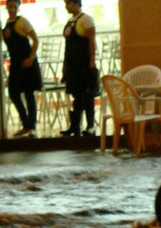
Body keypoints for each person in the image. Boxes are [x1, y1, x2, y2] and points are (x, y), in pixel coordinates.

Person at [2, 0, 43, 137]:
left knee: (29, 93)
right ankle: (26, 122)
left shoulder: (22, 22)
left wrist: (31, 58)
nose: (12, 9)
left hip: (26, 62)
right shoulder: (7, 23)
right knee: (13, 92)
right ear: (6, 7)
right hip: (15, 62)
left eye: (15, 7)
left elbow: (36, 40)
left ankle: (31, 126)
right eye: (10, 6)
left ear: (18, 7)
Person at [60, 0, 98, 137]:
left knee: (87, 95)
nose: (66, 6)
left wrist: (92, 60)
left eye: (69, 3)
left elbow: (91, 40)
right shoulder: (70, 21)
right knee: (76, 95)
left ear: (76, 4)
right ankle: (75, 125)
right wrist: (65, 64)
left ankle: (90, 126)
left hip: (84, 63)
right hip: (72, 64)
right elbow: (68, 45)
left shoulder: (86, 19)